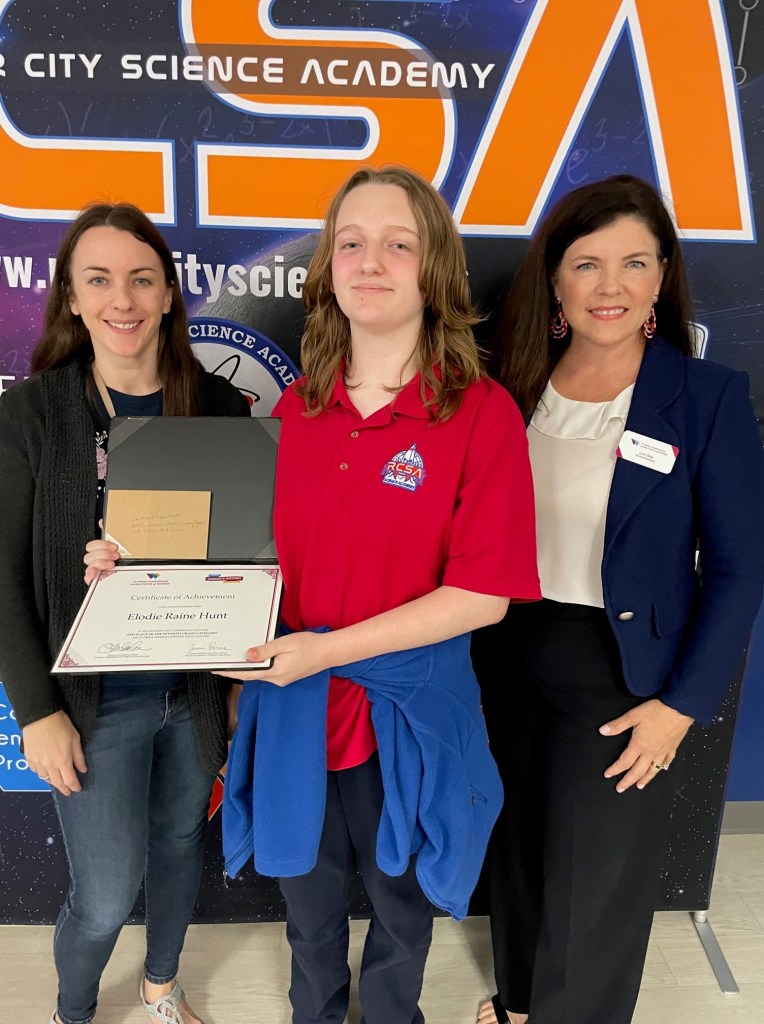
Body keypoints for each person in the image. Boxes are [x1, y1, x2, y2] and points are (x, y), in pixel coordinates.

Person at [216, 165, 541, 1024]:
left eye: (398, 244)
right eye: (351, 243)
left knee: (402, 908)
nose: (370, 261)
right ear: (327, 269)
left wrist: (326, 651)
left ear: (434, 270)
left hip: (405, 714)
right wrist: (139, 568)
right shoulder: (296, 411)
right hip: (296, 709)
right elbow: (252, 561)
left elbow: (484, 596)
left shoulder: (481, 414)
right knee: (308, 904)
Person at [472, 174, 764, 1024]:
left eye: (634, 263)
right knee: (517, 847)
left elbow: (740, 569)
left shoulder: (704, 398)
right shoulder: (508, 384)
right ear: (555, 281)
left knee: (597, 886)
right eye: (587, 264)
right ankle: (519, 1002)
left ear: (662, 277)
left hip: (622, 674)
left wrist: (681, 708)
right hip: (501, 650)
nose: (611, 285)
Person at [0, 202, 250, 1024]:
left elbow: (248, 555)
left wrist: (236, 678)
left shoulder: (218, 408)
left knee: (179, 846)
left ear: (169, 294)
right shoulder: (31, 414)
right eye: (100, 280)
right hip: (92, 704)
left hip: (191, 692)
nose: (123, 299)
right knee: (105, 896)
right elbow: (2, 579)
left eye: (142, 279)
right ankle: (74, 1011)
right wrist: (36, 712)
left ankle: (160, 986)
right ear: (72, 298)